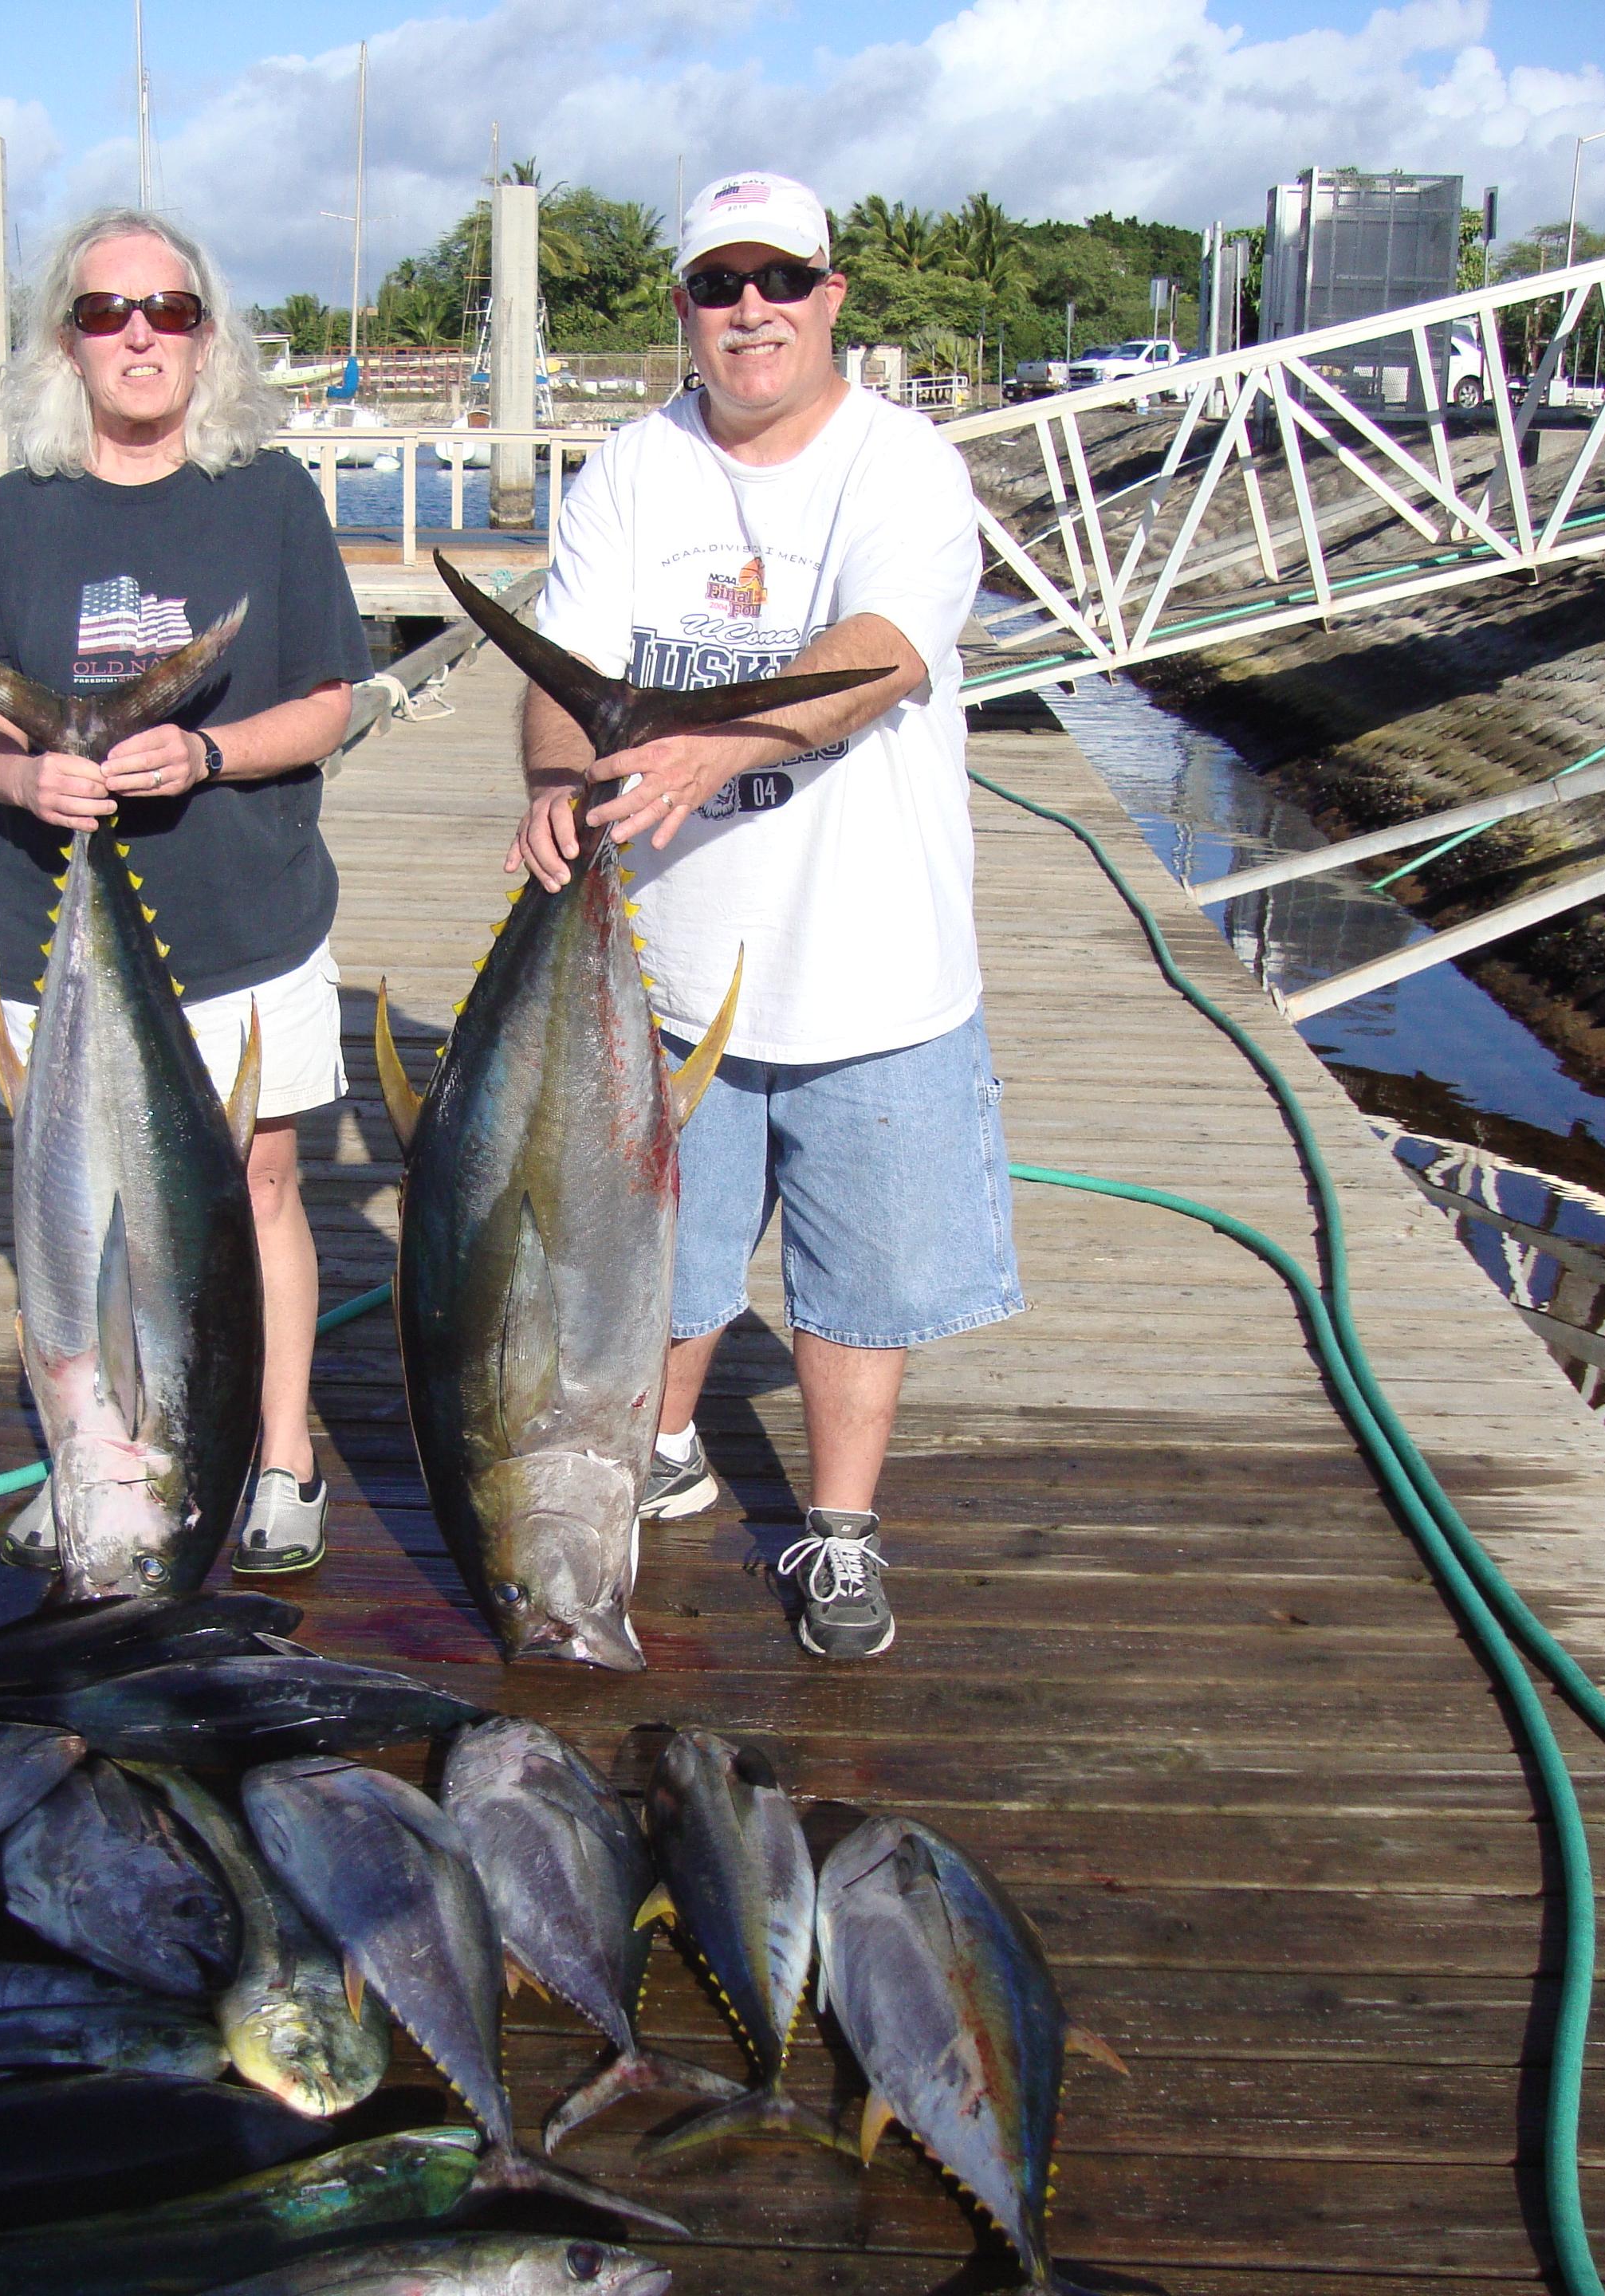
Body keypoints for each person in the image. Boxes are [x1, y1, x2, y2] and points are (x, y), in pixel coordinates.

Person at [509, 170, 1017, 1661]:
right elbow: (566, 666)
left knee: (862, 1281)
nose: (750, 311)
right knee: (658, 1255)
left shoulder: (903, 467)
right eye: (719, 284)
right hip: (665, 968)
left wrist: (715, 746)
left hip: (877, 966)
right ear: (684, 308)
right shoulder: (629, 472)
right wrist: (554, 776)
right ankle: (652, 1455)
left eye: (779, 281)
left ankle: (839, 1534)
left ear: (831, 297)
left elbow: (879, 657)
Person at [0, 206, 372, 1575]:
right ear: (66, 338)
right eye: (108, 312)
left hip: (246, 912)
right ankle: (89, 1453)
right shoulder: (16, 514)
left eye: (169, 311)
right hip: (57, 932)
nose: (140, 336)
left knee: (265, 1182)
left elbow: (331, 702)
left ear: (206, 335)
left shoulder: (270, 497)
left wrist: (210, 746)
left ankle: (279, 1455)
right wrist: (31, 781)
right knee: (69, 1208)